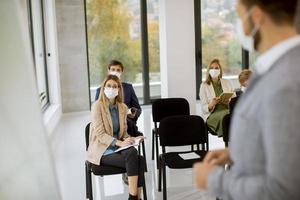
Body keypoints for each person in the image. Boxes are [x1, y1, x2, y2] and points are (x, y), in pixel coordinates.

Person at [194, 0, 300, 199]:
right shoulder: (276, 66)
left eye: (241, 16)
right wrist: (239, 152)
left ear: (257, 16)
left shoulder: (286, 82)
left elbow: (283, 190)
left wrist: (214, 180)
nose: (240, 25)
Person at [87, 75, 145, 200]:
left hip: (118, 147)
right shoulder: (97, 106)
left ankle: (133, 197)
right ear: (103, 88)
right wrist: (120, 143)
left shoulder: (122, 107)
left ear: (119, 89)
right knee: (139, 161)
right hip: (102, 150)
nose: (111, 88)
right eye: (109, 86)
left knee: (134, 153)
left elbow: (123, 133)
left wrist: (133, 139)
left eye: (115, 86)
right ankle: (135, 198)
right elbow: (101, 135)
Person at [95, 60, 141, 136]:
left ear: (121, 72)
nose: (115, 72)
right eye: (113, 69)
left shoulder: (129, 88)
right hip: (107, 127)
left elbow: (138, 109)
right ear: (108, 71)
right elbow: (97, 113)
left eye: (118, 70)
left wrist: (132, 114)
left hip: (127, 125)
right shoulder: (100, 90)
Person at [199, 58, 235, 137]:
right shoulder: (204, 86)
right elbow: (203, 108)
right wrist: (211, 104)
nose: (214, 70)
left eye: (216, 68)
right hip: (212, 114)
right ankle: (229, 143)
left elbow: (234, 100)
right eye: (211, 68)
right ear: (208, 70)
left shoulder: (227, 82)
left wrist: (228, 102)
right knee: (227, 116)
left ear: (220, 70)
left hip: (227, 110)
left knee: (232, 114)